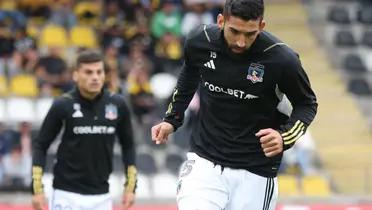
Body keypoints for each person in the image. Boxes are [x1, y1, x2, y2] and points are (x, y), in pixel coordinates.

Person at [151, 0, 318, 209]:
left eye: (250, 34)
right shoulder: (199, 41)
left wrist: (284, 137)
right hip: (205, 162)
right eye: (235, 31)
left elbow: (307, 104)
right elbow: (189, 74)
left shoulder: (283, 60)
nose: (241, 42)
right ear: (221, 20)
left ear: (262, 26)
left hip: (255, 172)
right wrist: (172, 118)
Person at [32, 50, 137, 210]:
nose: (95, 77)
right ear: (76, 75)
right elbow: (41, 145)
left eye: (98, 72)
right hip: (66, 194)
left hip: (101, 196)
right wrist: (37, 190)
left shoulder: (118, 104)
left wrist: (130, 188)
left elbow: (128, 146)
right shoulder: (63, 104)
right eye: (88, 72)